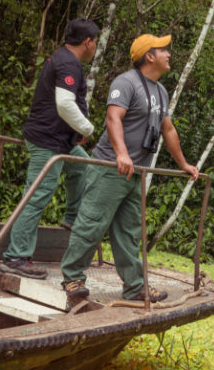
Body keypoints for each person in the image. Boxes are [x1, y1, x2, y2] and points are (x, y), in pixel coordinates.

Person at [60, 33, 199, 302]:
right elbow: (113, 118)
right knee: (91, 224)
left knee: (129, 231)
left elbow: (167, 129)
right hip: (110, 168)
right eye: (163, 50)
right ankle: (72, 277)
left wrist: (183, 164)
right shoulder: (126, 82)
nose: (169, 54)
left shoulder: (160, 91)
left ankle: (135, 286)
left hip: (136, 173)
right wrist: (122, 155)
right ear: (149, 56)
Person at [1, 18, 99, 279]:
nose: (95, 47)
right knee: (37, 196)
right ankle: (16, 256)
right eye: (96, 42)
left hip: (60, 141)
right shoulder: (68, 62)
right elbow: (64, 104)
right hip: (47, 141)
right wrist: (87, 129)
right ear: (88, 42)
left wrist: (75, 132)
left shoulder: (64, 58)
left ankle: (71, 216)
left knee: (82, 165)